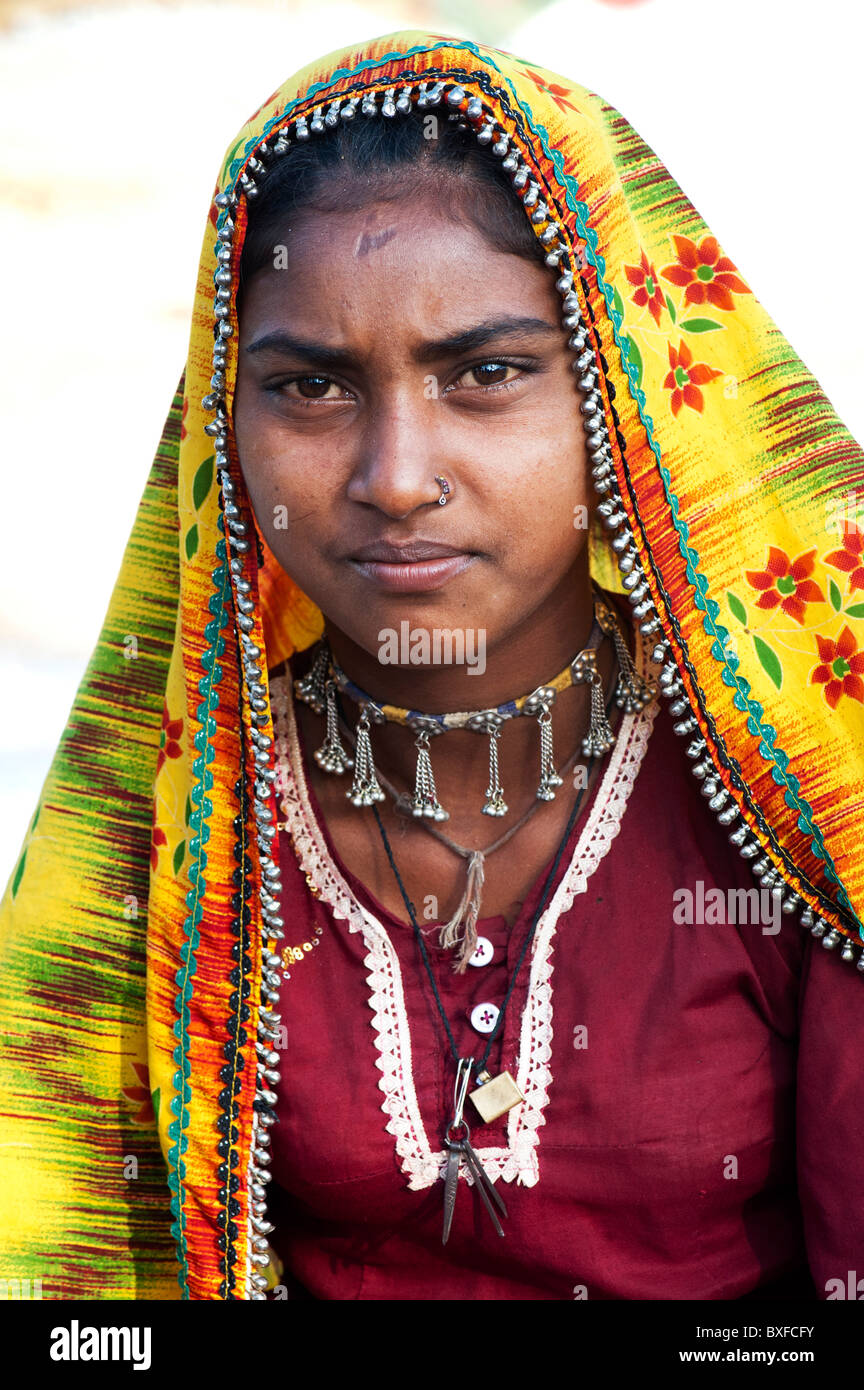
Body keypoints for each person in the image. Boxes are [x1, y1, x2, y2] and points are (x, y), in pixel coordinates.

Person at [1, 28, 862, 1303]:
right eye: (311, 389)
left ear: (627, 396)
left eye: (489, 372)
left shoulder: (799, 788)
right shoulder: (188, 817)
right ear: (225, 423)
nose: (396, 475)